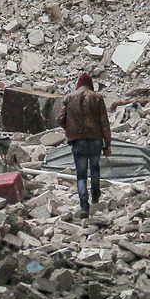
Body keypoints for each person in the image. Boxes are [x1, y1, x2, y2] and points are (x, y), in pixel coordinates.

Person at [61, 71, 111, 215]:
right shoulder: (97, 98)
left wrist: (70, 129)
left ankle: (84, 206)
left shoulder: (69, 98)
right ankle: (95, 198)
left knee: (81, 175)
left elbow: (60, 118)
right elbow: (104, 123)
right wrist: (108, 145)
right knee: (95, 169)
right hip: (95, 141)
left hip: (78, 142)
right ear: (90, 84)